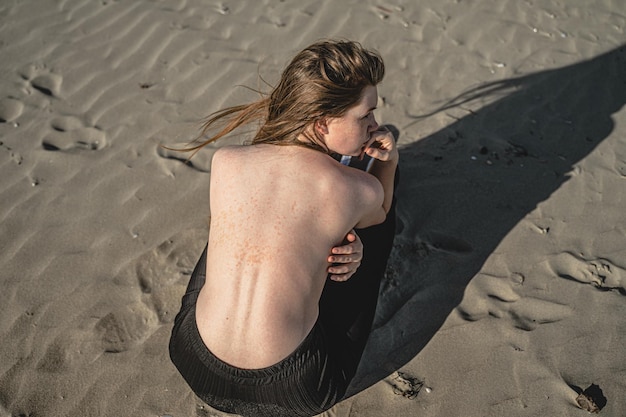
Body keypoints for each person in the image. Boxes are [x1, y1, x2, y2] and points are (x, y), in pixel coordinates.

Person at [169, 39, 398, 417]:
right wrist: (389, 162)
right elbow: (383, 211)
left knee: (230, 233)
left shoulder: (226, 161)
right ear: (321, 121)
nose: (375, 125)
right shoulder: (355, 188)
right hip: (299, 390)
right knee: (370, 231)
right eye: (365, 116)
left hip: (195, 363)